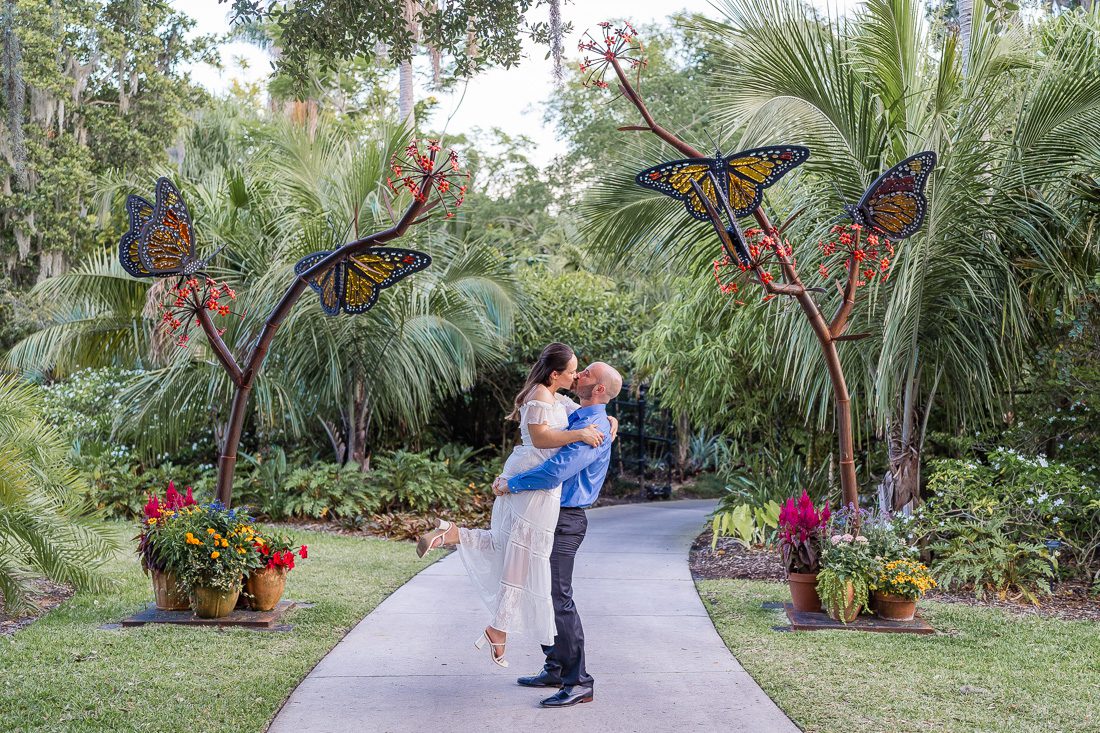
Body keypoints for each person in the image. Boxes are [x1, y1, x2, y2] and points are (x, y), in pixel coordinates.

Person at [415, 343, 616, 668]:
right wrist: (578, 434)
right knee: (524, 558)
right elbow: (543, 445)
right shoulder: (542, 397)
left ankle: (453, 535)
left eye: (583, 371)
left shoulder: (559, 400)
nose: (577, 374)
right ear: (555, 374)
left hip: (531, 480)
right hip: (533, 480)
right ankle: (503, 632)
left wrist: (607, 418)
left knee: (510, 547)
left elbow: (578, 416)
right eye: (573, 369)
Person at [493, 361, 622, 708]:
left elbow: (556, 471)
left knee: (558, 597)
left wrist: (512, 484)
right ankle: (554, 666)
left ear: (597, 389)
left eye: (587, 374)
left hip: (565, 520)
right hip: (547, 515)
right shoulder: (579, 416)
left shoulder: (593, 425)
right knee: (540, 591)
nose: (578, 376)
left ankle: (579, 681)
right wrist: (611, 418)